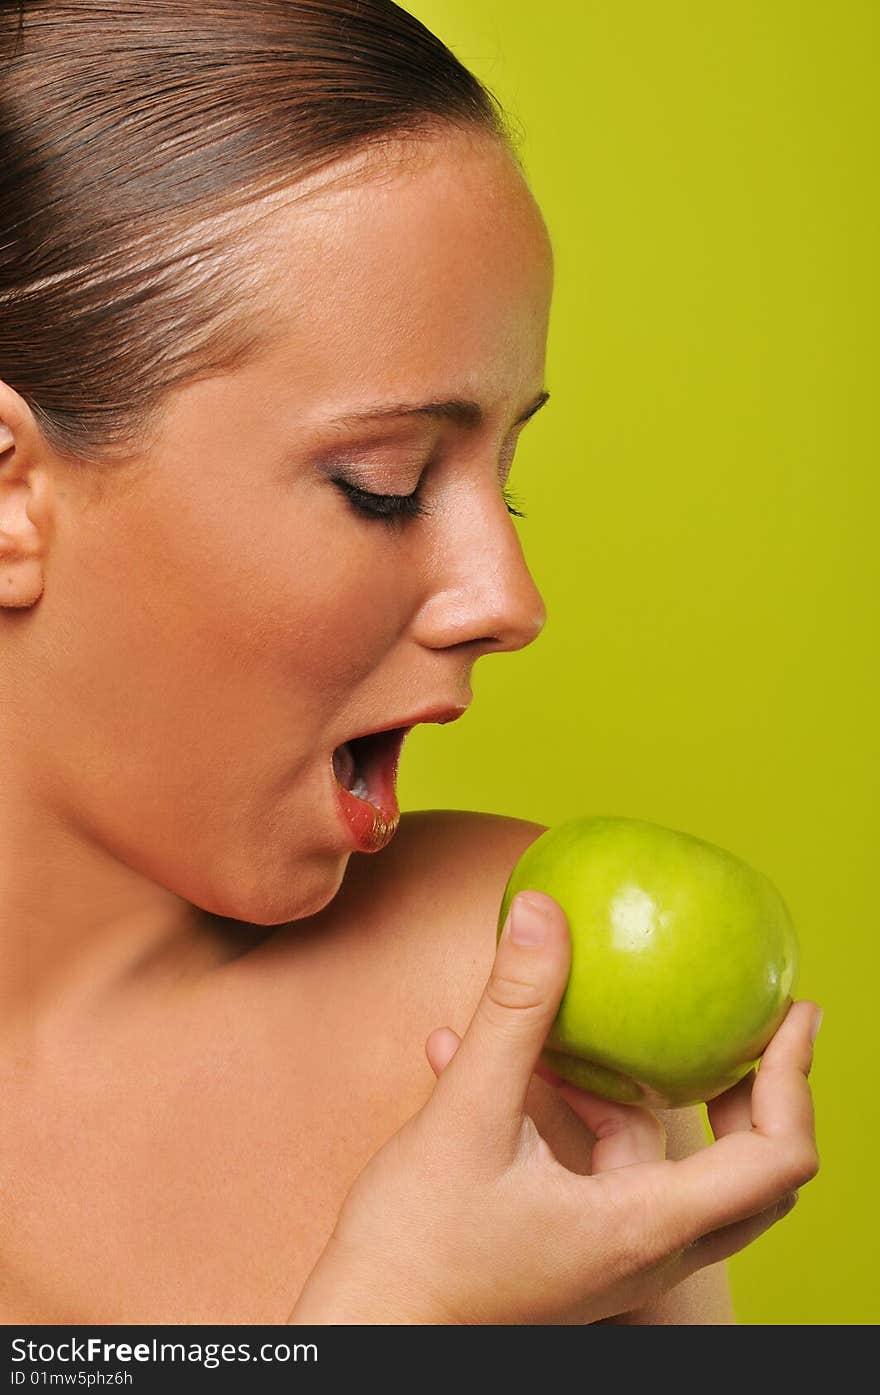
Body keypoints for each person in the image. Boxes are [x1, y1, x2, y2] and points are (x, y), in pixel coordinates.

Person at [0, 0, 819, 1325]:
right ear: (12, 496)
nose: (510, 600)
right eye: (385, 484)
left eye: (508, 476)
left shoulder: (506, 1014)